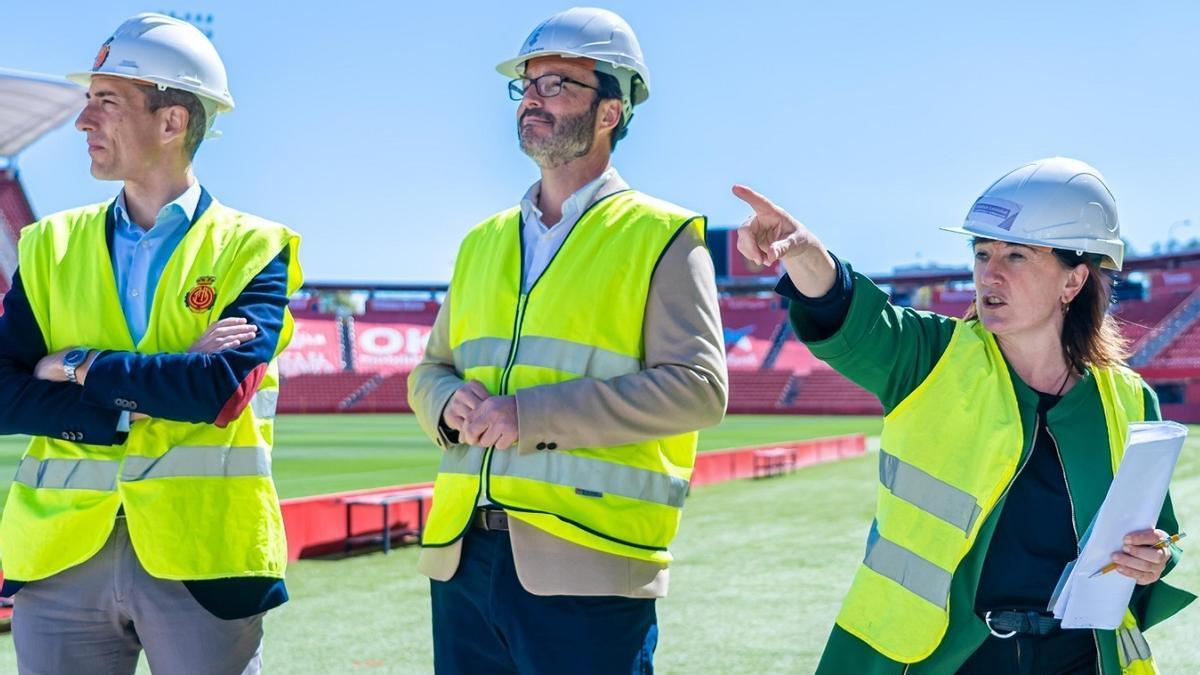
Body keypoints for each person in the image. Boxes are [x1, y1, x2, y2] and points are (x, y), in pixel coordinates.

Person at [734, 157, 1195, 673]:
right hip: (950, 658)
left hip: (1082, 658)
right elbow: (852, 314)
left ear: (1074, 281)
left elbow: (1159, 532)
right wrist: (804, 251)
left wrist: (1155, 556)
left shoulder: (1130, 399)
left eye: (1016, 256)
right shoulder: (930, 357)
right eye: (981, 253)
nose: (989, 273)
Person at [407, 7, 727, 673]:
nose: (533, 100)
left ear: (610, 111)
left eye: (557, 85)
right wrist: (445, 401)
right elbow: (431, 367)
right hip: (462, 559)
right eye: (526, 86)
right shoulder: (482, 241)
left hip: (591, 564)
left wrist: (533, 415)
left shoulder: (662, 234)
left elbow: (700, 388)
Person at [0, 13, 303, 674]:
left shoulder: (255, 246)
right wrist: (119, 408)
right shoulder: (48, 244)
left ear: (172, 122)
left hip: (203, 562)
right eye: (88, 101)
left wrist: (75, 363)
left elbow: (215, 391)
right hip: (59, 558)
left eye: (106, 101)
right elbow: (2, 393)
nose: (84, 121)